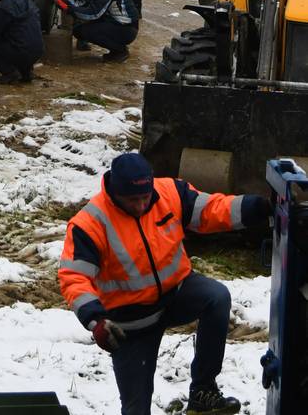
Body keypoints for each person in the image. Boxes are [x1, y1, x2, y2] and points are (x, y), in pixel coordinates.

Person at [59, 150, 271, 415]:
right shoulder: (89, 224)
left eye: (145, 198)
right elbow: (74, 277)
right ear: (114, 193)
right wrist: (95, 320)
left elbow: (211, 210)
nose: (140, 205)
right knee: (136, 409)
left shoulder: (169, 192)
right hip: (131, 325)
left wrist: (255, 207)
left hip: (177, 294)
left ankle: (203, 391)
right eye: (132, 200)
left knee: (216, 297)